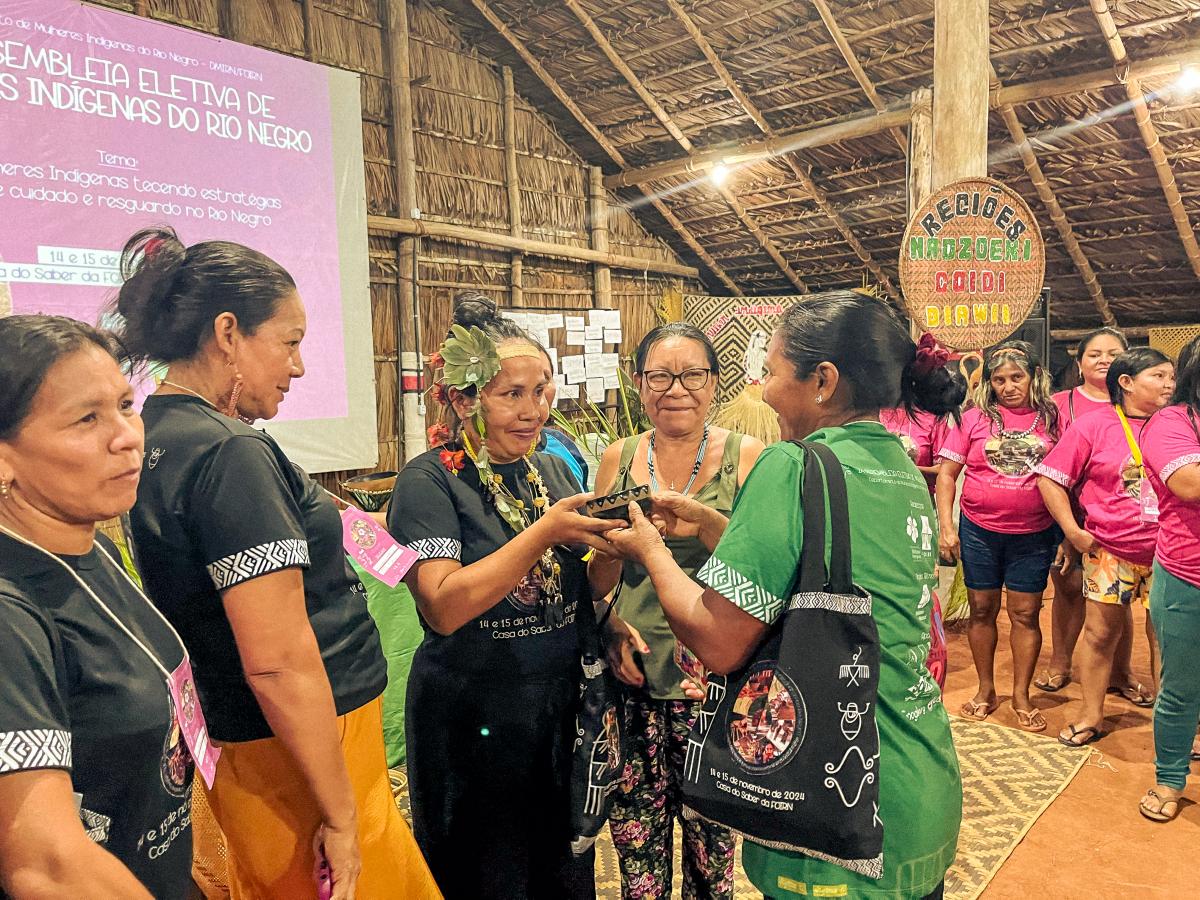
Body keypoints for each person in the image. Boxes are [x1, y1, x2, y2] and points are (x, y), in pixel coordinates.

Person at [114, 227, 439, 900]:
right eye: (289, 343)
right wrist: (340, 817)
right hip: (303, 749)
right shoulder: (230, 453)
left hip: (249, 739)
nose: (298, 367)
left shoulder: (158, 435)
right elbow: (278, 663)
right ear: (227, 333)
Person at [606, 291, 962, 900]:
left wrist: (649, 550)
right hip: (917, 776)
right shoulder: (900, 467)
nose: (763, 390)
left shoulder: (791, 464)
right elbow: (826, 572)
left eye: (770, 372)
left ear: (822, 381)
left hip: (835, 800)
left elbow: (718, 639)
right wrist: (713, 525)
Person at [387, 297, 623, 899]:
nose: (533, 410)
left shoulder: (552, 471)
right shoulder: (429, 481)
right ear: (464, 399)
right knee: (486, 876)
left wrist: (617, 547)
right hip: (472, 720)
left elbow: (583, 589)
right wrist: (543, 533)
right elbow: (443, 606)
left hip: (557, 713)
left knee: (562, 876)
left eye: (541, 391)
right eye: (511, 394)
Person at [0, 316, 193, 898]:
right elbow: (47, 864)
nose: (127, 436)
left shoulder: (94, 548)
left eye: (126, 405)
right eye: (87, 418)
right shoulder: (10, 613)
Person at [587, 323, 764, 899]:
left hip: (714, 681)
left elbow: (763, 569)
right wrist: (608, 609)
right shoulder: (617, 458)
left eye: (692, 375)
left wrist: (704, 521)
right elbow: (597, 581)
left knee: (712, 851)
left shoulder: (748, 457)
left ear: (713, 383)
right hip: (634, 675)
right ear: (640, 385)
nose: (676, 389)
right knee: (637, 848)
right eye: (660, 376)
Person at [1036, 348, 1175, 746]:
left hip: (1170, 553)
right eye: (1158, 376)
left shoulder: (1179, 425)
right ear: (1126, 382)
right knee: (1099, 635)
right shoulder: (1094, 426)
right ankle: (1091, 715)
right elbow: (1050, 478)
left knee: (1168, 640)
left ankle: (1172, 725)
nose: (1169, 384)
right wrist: (1073, 531)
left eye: (1171, 376)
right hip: (1110, 551)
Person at [937, 341, 1060, 732]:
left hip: (1035, 534)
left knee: (1025, 614)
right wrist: (946, 526)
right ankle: (986, 690)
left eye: (1016, 377)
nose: (1008, 387)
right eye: (999, 379)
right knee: (981, 611)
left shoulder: (1053, 418)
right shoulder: (973, 419)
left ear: (1034, 377)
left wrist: (1068, 533)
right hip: (979, 532)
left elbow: (1069, 476)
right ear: (989, 383)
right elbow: (947, 475)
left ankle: (1021, 695)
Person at [1037, 327, 1133, 697]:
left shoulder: (1138, 403)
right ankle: (1060, 663)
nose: (1104, 360)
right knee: (1068, 586)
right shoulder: (1057, 404)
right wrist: (1067, 527)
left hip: (1116, 517)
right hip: (1063, 510)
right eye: (1095, 354)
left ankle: (1120, 673)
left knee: (1120, 595)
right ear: (1079, 364)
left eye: (1113, 354)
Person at [1138, 335, 1200, 822]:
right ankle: (1170, 777)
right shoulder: (1172, 422)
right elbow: (1188, 483)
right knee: (1181, 686)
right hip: (1187, 575)